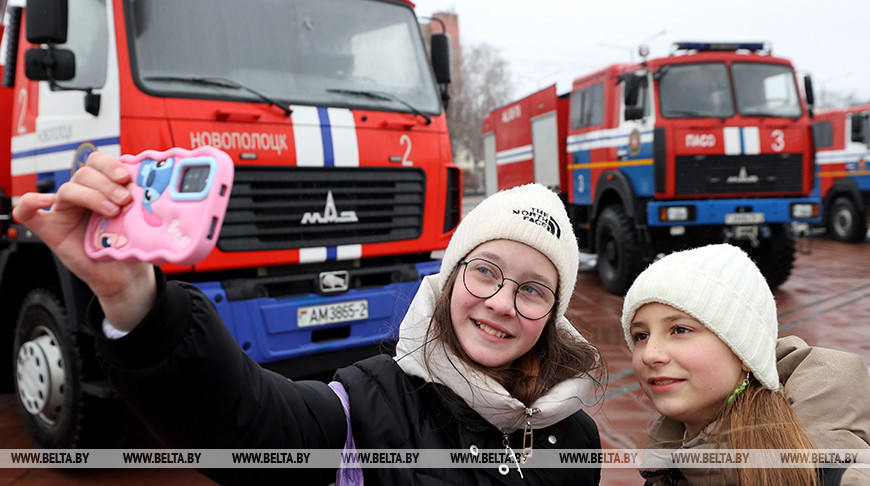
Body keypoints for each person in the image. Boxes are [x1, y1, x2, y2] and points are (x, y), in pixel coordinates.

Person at [13, 153, 603, 485]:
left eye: (532, 289)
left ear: (552, 315)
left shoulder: (577, 437)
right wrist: (138, 303)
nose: (501, 302)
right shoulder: (367, 411)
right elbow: (247, 419)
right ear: (450, 279)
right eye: (485, 272)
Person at [620, 243, 870, 486]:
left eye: (680, 329)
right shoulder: (664, 469)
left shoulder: (834, 474)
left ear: (744, 352)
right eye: (641, 335)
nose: (650, 354)